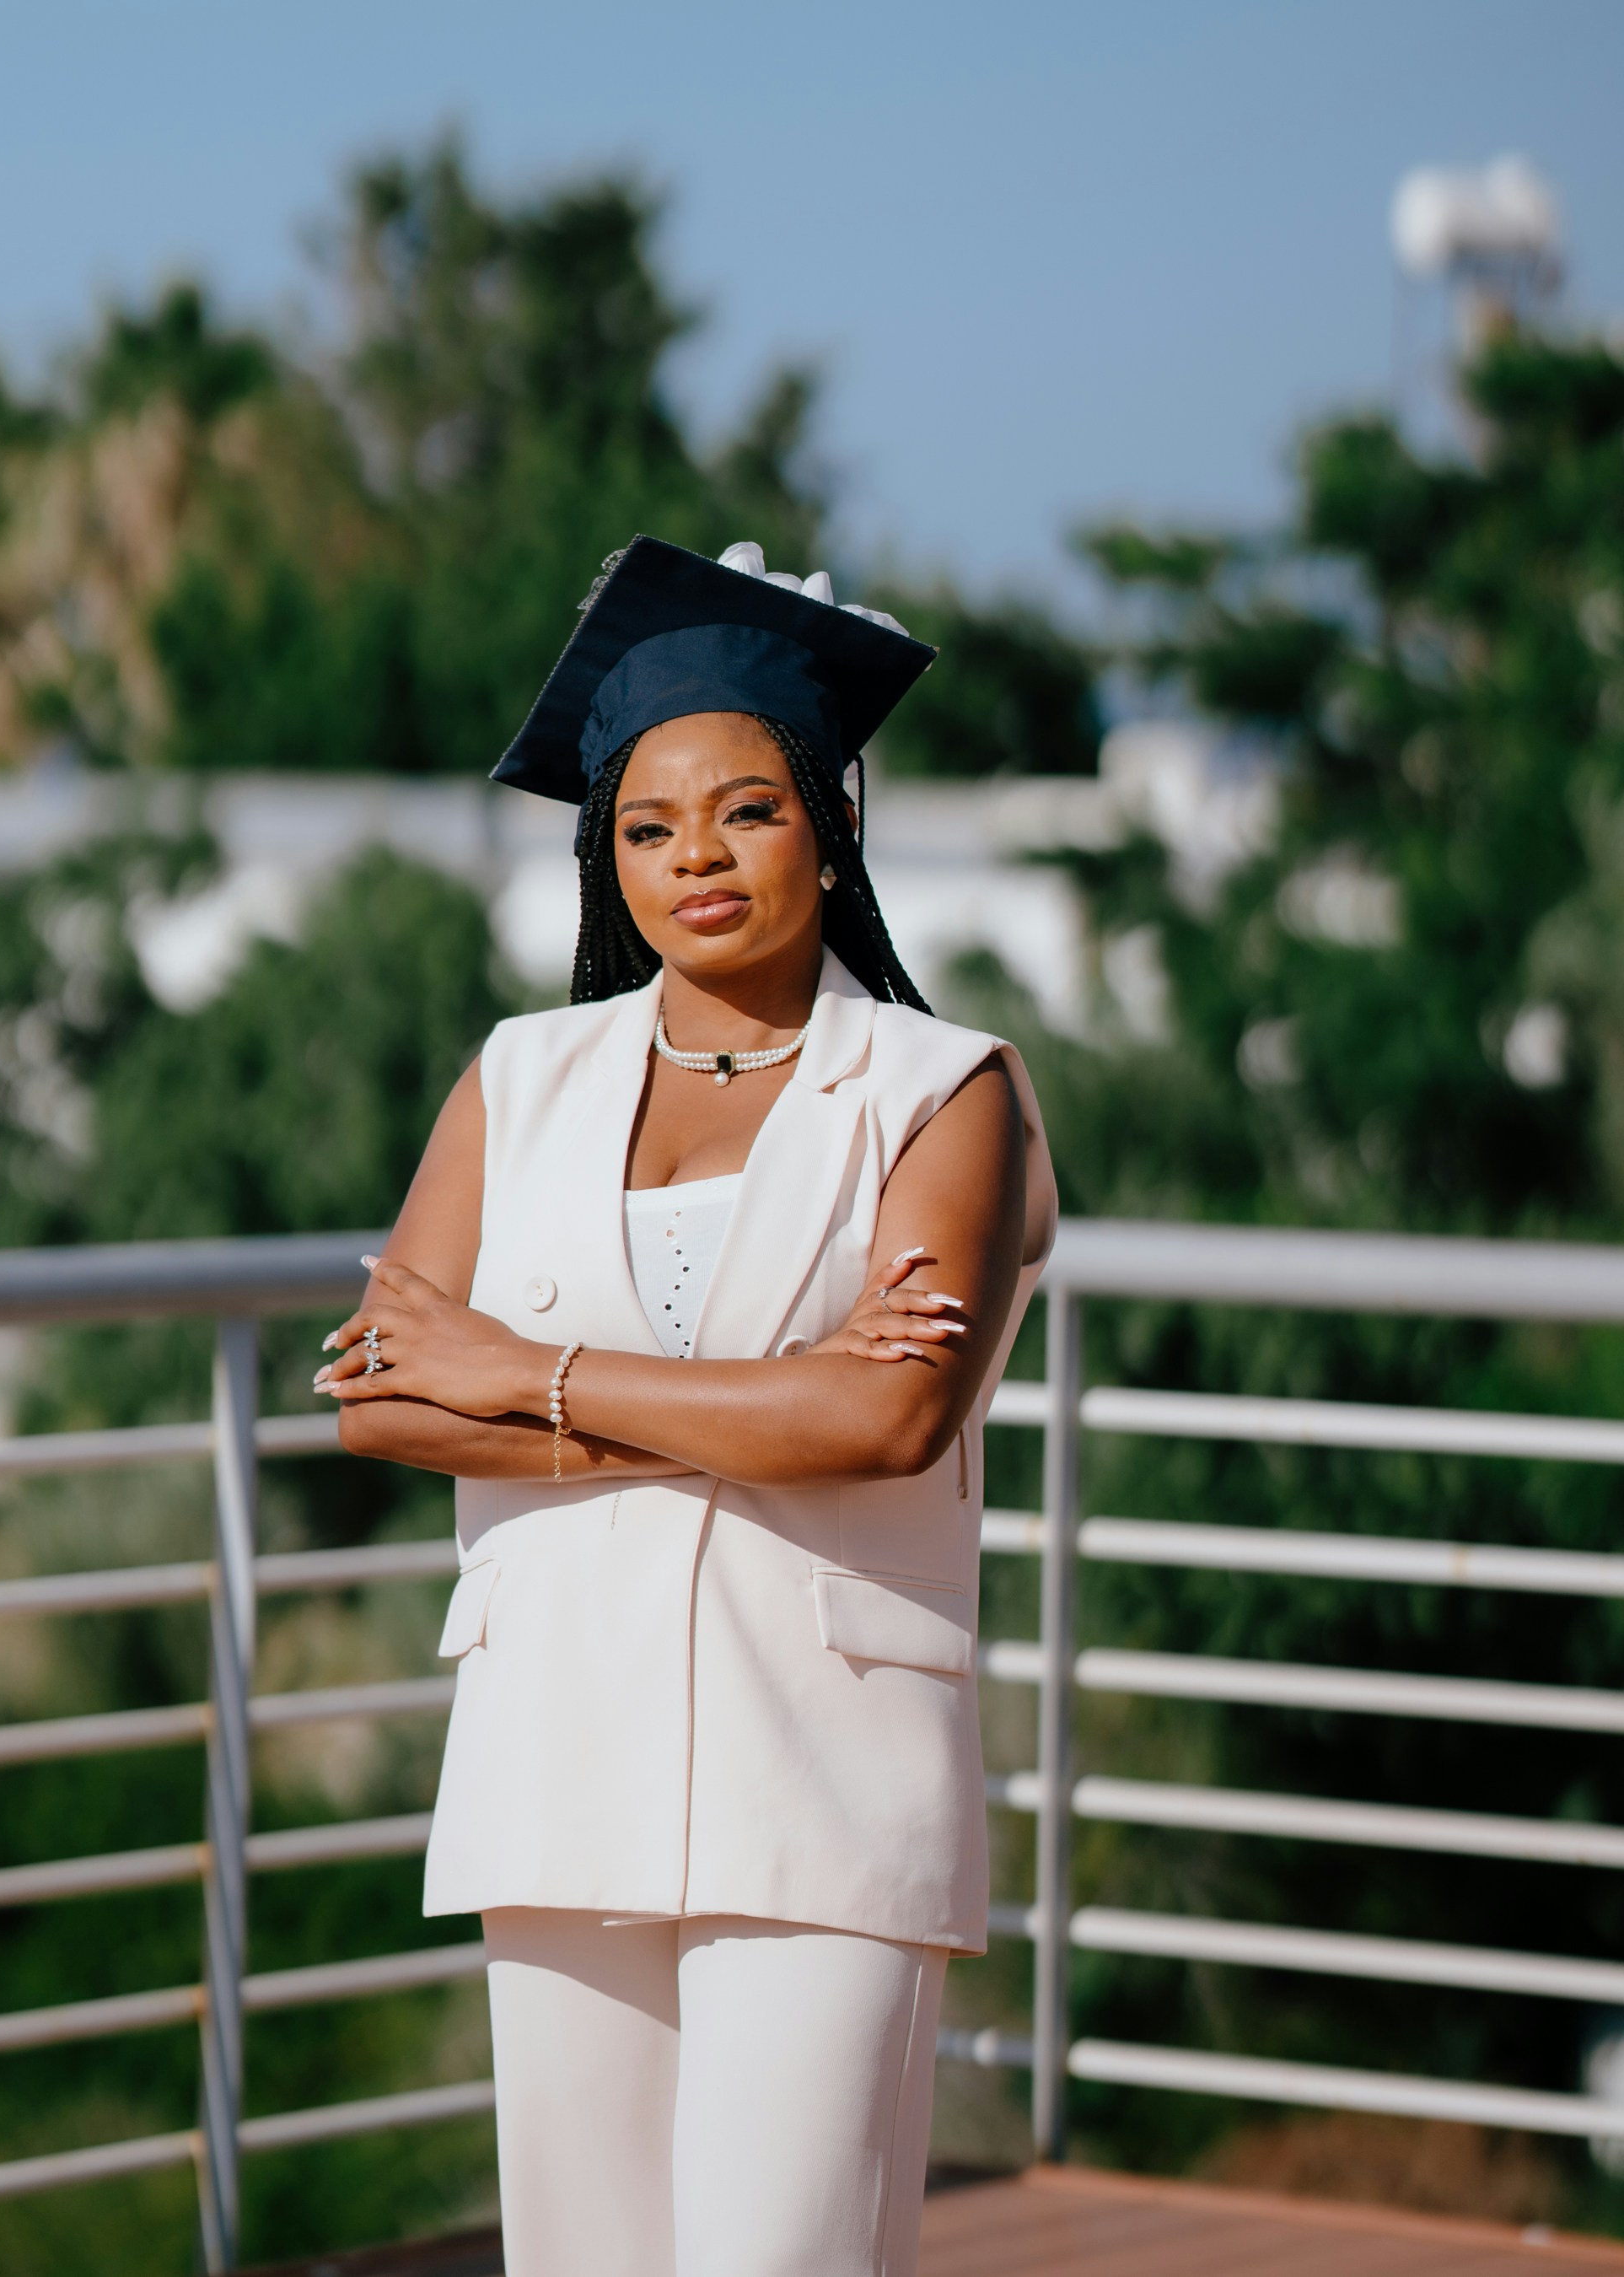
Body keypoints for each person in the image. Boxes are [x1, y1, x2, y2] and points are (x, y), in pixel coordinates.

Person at [315, 536, 1057, 2277]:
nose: (695, 861)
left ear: (833, 819)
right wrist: (754, 1401)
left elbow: (889, 1428)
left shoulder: (942, 1095)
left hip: (829, 1766)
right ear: (607, 857)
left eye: (746, 813)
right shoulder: (525, 1077)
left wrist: (527, 1377)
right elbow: (377, 1399)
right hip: (557, 1743)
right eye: (647, 829)